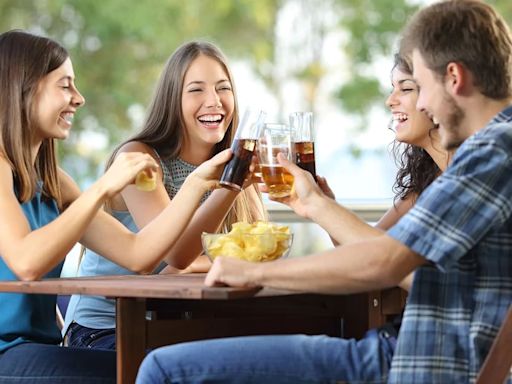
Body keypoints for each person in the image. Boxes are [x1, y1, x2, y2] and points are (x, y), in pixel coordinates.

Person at [135, 1, 512, 383]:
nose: (425, 105)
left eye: (421, 88)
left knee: (162, 368)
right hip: (413, 355)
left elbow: (386, 262)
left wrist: (254, 272)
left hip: (411, 365)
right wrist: (313, 203)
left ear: (454, 77)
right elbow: (395, 260)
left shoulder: (493, 153)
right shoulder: (492, 152)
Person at [0, 30, 234, 383]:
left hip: (38, 347)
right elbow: (27, 262)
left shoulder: (53, 181)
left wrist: (199, 182)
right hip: (7, 353)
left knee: (177, 369)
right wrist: (103, 187)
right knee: (155, 374)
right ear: (23, 88)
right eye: (65, 86)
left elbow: (139, 254)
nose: (78, 99)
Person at [63, 41, 266, 350]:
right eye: (196, 90)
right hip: (105, 329)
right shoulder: (139, 160)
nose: (214, 101)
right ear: (173, 100)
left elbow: (246, 256)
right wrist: (230, 186)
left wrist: (203, 264)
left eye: (223, 89)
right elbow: (174, 256)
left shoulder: (236, 161)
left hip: (179, 323)